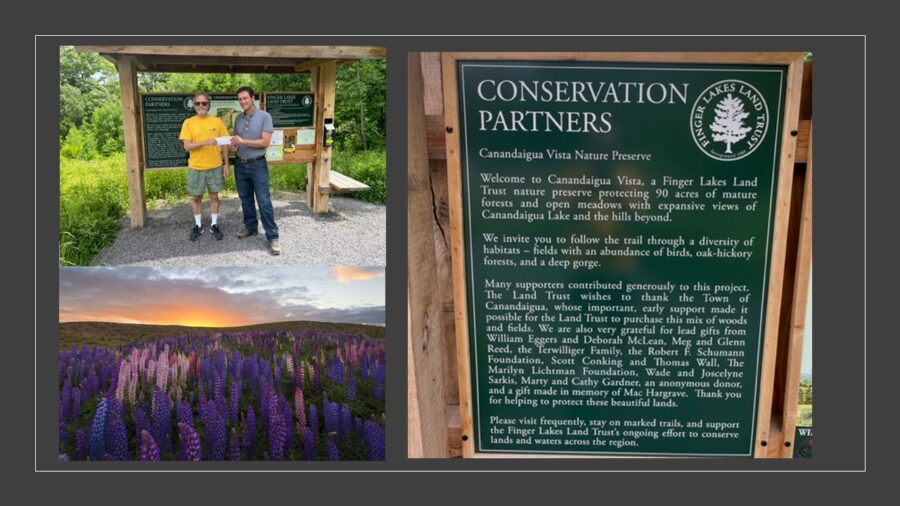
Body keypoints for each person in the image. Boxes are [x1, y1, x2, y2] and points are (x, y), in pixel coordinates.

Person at [230, 86, 281, 255]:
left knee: (264, 201)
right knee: (245, 199)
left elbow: (265, 142)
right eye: (240, 99)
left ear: (252, 98)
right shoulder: (238, 118)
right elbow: (237, 141)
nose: (243, 101)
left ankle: (273, 236)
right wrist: (234, 144)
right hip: (240, 164)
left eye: (245, 98)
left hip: (257, 165)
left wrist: (243, 140)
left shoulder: (264, 116)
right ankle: (251, 227)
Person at [179, 92, 230, 241]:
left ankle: (214, 225)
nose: (201, 106)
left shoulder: (217, 121)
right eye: (198, 103)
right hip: (196, 167)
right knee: (196, 197)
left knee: (214, 196)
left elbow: (225, 143)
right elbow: (187, 147)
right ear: (194, 105)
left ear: (208, 105)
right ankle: (198, 226)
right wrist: (205, 142)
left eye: (204, 103)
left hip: (215, 166)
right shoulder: (188, 123)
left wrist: (226, 164)